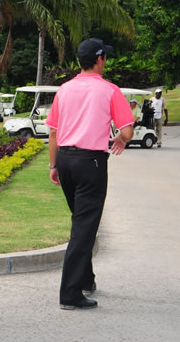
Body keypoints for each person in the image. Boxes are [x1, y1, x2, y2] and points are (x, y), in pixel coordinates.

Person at [46, 38, 134, 310]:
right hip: (90, 162)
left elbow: (53, 131)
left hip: (65, 160)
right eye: (105, 56)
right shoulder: (109, 90)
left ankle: (86, 278)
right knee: (84, 227)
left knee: (81, 221)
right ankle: (70, 294)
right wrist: (121, 138)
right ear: (99, 59)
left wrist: (53, 166)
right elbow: (128, 130)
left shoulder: (64, 89)